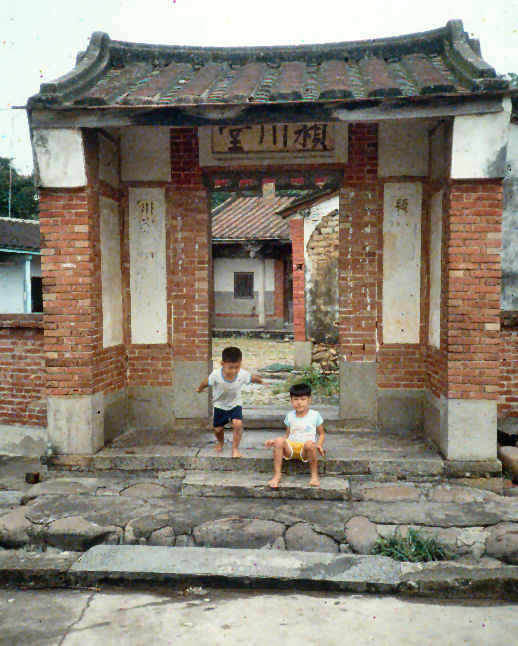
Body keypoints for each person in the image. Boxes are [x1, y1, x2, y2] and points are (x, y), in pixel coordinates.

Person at [196, 346, 266, 458]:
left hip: (235, 404)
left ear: (240, 364)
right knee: (218, 429)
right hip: (220, 405)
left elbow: (251, 378)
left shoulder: (242, 374)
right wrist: (199, 389)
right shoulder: (215, 375)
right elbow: (206, 382)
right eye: (230, 368)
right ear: (222, 363)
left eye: (237, 367)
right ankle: (220, 441)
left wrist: (262, 381)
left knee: (238, 424)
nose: (233, 371)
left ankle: (235, 449)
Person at [265, 382, 324, 488]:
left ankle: (314, 475)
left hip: (305, 449)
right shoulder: (290, 415)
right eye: (296, 399)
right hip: (291, 448)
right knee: (278, 439)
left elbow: (322, 434)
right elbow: (287, 435)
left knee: (310, 444)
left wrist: (319, 445)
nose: (299, 402)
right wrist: (276, 441)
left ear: (309, 400)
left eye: (303, 399)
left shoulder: (315, 415)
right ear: (291, 400)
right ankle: (277, 474)